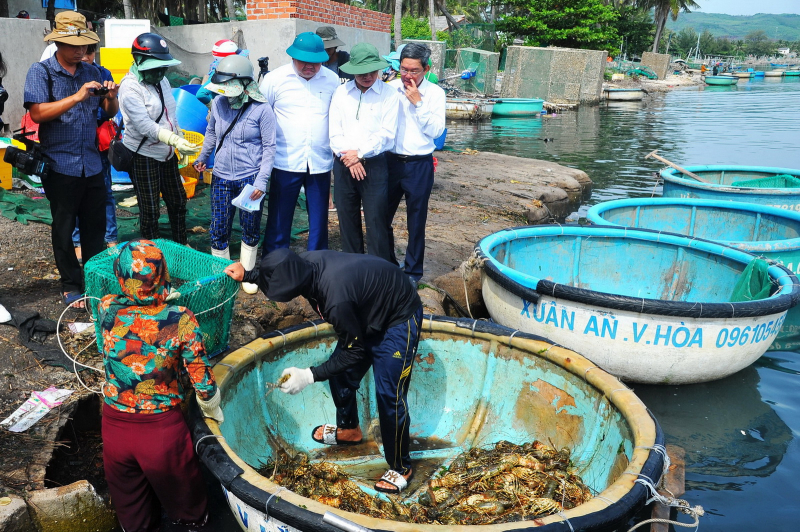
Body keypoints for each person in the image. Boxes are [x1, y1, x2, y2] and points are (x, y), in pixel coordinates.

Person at [225, 248, 422, 494]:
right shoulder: (303, 264)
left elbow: (355, 352)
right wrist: (248, 275)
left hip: (398, 317)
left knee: (389, 395)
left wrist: (308, 376)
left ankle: (401, 466)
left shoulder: (335, 298)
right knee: (339, 373)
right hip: (365, 311)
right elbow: (279, 269)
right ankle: (350, 429)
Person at [98, 239, 223, 532]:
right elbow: (203, 383)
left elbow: (135, 310)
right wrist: (213, 411)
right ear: (162, 274)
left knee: (134, 518)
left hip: (115, 429)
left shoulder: (106, 308)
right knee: (190, 513)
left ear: (121, 276)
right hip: (162, 435)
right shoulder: (180, 319)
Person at [23, 11, 119, 308]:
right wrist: (77, 97)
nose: (81, 51)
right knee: (64, 228)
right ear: (58, 44)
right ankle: (70, 284)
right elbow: (37, 113)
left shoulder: (95, 72)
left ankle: (92, 279)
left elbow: (108, 112)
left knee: (95, 228)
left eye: (85, 46)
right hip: (59, 164)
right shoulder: (42, 72)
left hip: (92, 163)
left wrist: (111, 96)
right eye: (74, 45)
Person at [193, 54, 276, 295]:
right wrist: (202, 157)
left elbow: (270, 147)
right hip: (220, 177)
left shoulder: (262, 110)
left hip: (250, 180)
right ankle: (223, 275)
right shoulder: (218, 103)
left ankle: (248, 274)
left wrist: (261, 180)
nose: (225, 93)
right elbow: (211, 133)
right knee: (219, 227)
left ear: (244, 84)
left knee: (250, 227)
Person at [259, 33, 339, 253]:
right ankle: (275, 263)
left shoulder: (331, 80)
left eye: (315, 62)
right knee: (279, 216)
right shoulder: (274, 80)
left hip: (319, 161)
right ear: (293, 57)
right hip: (284, 160)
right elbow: (262, 116)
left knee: (319, 216)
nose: (309, 67)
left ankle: (317, 263)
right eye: (304, 61)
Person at [119, 33, 199, 245]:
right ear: (138, 60)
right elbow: (144, 125)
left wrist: (180, 142)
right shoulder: (129, 87)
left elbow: (169, 115)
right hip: (144, 155)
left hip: (167, 153)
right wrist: (174, 140)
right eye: (155, 67)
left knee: (178, 201)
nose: (160, 72)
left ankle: (181, 244)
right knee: (151, 208)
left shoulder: (162, 80)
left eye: (163, 67)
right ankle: (152, 254)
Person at [329, 43, 399, 262]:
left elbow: (387, 134)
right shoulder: (341, 92)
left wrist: (359, 153)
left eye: (371, 71)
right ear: (352, 71)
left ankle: (380, 273)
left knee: (376, 221)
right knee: (347, 219)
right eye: (361, 72)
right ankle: (354, 271)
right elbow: (334, 131)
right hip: (343, 164)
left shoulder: (388, 94)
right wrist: (350, 159)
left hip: (374, 164)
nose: (367, 76)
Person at [386, 43, 446, 287]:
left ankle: (412, 272)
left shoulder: (435, 94)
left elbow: (436, 131)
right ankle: (388, 265)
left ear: (426, 69)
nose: (408, 76)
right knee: (381, 216)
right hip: (389, 161)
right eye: (403, 69)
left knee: (416, 220)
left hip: (419, 164)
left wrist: (418, 103)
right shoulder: (388, 89)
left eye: (414, 71)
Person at [72, 43, 118, 261]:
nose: (85, 56)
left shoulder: (102, 73)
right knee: (74, 196)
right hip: (73, 140)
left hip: (98, 140)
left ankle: (111, 238)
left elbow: (110, 111)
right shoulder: (67, 74)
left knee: (106, 191)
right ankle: (77, 241)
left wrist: (110, 96)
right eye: (83, 51)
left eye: (89, 52)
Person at [196, 39, 243, 106]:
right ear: (230, 57)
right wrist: (213, 107)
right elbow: (201, 94)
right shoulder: (217, 74)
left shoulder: (226, 68)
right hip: (224, 111)